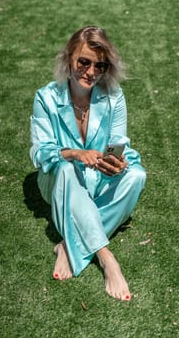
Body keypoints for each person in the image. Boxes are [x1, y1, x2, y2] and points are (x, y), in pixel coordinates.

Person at [30, 26, 146, 301]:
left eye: (100, 66)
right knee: (67, 168)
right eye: (84, 62)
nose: (91, 72)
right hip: (59, 181)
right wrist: (72, 153)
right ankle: (106, 258)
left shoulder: (114, 97)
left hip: (97, 179)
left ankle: (69, 248)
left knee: (137, 176)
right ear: (69, 58)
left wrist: (117, 163)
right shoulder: (45, 98)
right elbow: (40, 153)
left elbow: (119, 144)